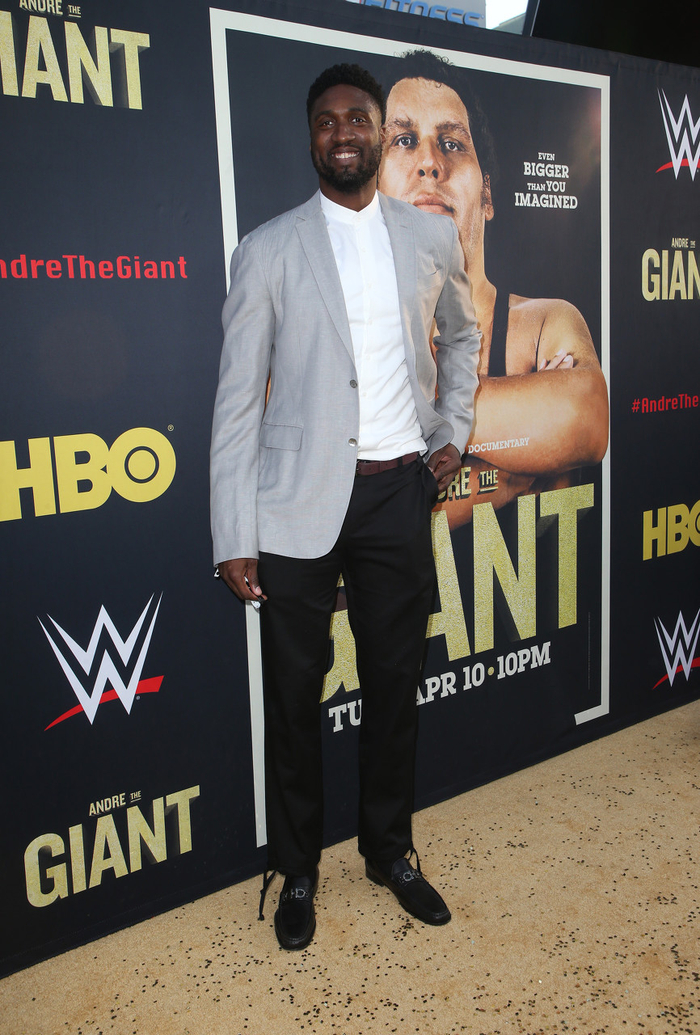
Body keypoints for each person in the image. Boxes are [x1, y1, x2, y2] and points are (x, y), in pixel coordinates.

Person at [210, 64, 481, 950]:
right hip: (295, 504)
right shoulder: (269, 250)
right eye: (327, 121)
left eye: (358, 118)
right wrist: (233, 530)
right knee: (294, 700)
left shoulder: (427, 235)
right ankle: (296, 869)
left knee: (395, 688)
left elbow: (463, 334)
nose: (343, 133)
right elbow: (236, 402)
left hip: (399, 491)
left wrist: (454, 428)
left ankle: (389, 851)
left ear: (377, 128)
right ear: (312, 136)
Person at [379, 50, 608, 527]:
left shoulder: (543, 324)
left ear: (486, 194)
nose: (430, 162)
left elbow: (585, 419)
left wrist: (399, 399)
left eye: (452, 143)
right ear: (374, 190)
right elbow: (359, 522)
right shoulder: (335, 325)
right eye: (404, 140)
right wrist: (512, 473)